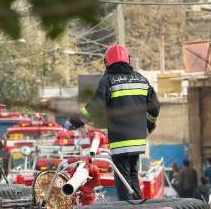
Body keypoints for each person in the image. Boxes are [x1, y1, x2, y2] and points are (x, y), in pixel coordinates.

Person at [65, 44, 160, 200]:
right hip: (138, 141)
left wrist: (75, 122)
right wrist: (150, 124)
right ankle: (137, 207)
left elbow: (95, 106)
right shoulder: (142, 80)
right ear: (128, 60)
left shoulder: (109, 80)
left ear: (106, 62)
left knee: (122, 178)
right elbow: (154, 107)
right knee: (133, 175)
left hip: (120, 141)